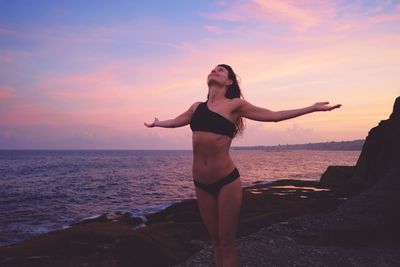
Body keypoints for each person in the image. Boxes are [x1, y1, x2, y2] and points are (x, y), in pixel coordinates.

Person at [144, 64, 341, 267]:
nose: (215, 70)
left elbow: (274, 116)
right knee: (215, 241)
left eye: (221, 70)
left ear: (229, 82)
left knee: (227, 241)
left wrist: (311, 108)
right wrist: (158, 123)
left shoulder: (235, 105)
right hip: (201, 183)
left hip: (225, 181)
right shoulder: (196, 107)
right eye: (213, 68)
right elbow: (177, 121)